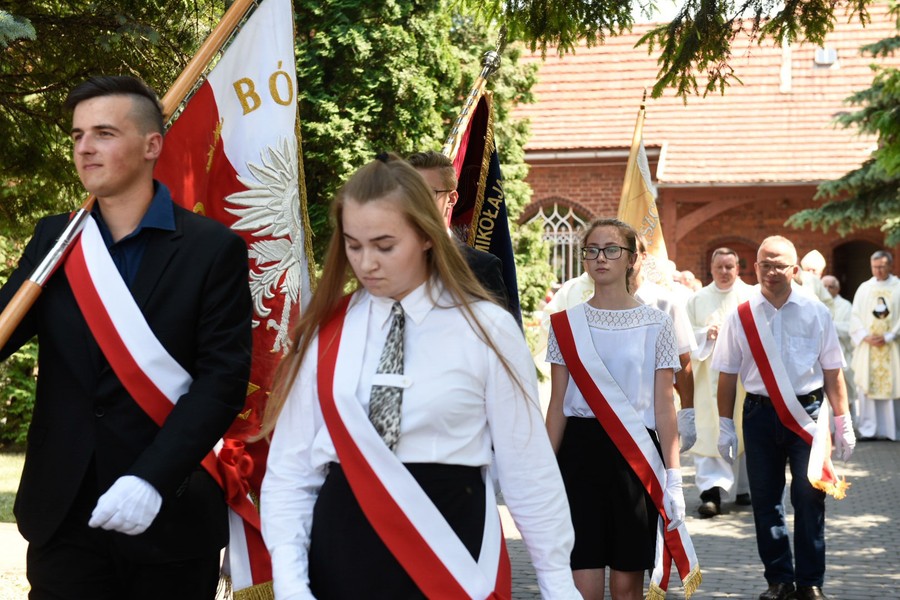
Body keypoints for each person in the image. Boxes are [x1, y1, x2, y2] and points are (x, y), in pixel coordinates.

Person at [259, 154, 580, 599]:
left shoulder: (486, 328)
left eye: (385, 245)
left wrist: (558, 581)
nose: (366, 263)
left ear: (427, 236)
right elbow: (291, 470)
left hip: (453, 545)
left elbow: (527, 466)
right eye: (353, 245)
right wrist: (291, 583)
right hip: (343, 549)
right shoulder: (325, 330)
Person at [0, 76, 253, 598]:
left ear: (151, 145)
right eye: (76, 136)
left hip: (170, 509)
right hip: (63, 511)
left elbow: (222, 380)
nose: (85, 148)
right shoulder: (56, 238)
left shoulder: (212, 249)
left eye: (104, 133)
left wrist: (153, 479)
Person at [546, 218, 698, 600]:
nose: (601, 258)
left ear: (632, 259)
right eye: (592, 250)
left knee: (628, 583)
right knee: (582, 578)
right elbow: (558, 406)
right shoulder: (565, 324)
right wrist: (542, 469)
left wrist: (674, 477)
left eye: (612, 249)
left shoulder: (657, 323)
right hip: (579, 454)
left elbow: (665, 405)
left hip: (635, 457)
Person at [713, 235, 855, 600]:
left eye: (779, 265)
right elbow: (727, 374)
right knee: (765, 501)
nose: (771, 271)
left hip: (807, 415)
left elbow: (833, 371)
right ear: (755, 266)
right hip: (759, 416)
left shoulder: (815, 311)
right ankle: (779, 580)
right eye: (764, 264)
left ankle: (810, 582)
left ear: (794, 269)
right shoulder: (741, 314)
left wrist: (843, 421)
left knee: (810, 499)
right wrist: (725, 424)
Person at [683, 247, 753, 517]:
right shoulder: (697, 299)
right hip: (706, 380)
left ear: (738, 268)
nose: (725, 272)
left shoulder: (750, 296)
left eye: (730, 267)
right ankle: (710, 493)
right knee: (709, 432)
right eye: (720, 267)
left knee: (744, 430)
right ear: (711, 269)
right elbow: (685, 337)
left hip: (743, 380)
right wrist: (705, 334)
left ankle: (743, 489)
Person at [405, 150, 511, 314]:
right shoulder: (391, 263)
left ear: (452, 199)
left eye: (428, 193)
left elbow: (496, 336)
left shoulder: (481, 268)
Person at [631, 237, 697, 424]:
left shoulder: (665, 302)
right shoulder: (601, 303)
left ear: (644, 256)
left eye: (632, 251)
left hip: (654, 413)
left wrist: (687, 412)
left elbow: (683, 360)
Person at [849, 250, 900, 441]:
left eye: (882, 266)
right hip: (869, 346)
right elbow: (855, 315)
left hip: (892, 345)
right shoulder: (864, 288)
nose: (878, 270)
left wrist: (890, 335)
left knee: (892, 386)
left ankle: (891, 431)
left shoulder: (898, 287)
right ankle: (869, 429)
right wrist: (864, 335)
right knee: (868, 387)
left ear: (890, 266)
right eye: (875, 267)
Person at [822, 275, 857, 416]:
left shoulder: (845, 305)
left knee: (845, 391)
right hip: (824, 354)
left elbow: (851, 327)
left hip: (842, 352)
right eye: (824, 286)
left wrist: (830, 326)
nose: (827, 289)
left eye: (831, 286)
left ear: (838, 289)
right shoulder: (817, 302)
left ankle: (846, 423)